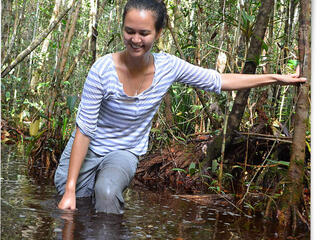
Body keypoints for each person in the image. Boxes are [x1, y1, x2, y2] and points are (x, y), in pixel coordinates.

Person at [55, 0, 306, 214]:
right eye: (129, 31)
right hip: (86, 150)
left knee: (107, 193)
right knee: (77, 209)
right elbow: (85, 129)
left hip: (124, 151)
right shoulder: (102, 70)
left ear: (158, 33)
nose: (135, 39)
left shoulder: (168, 67)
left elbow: (219, 80)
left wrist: (275, 77)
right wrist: (69, 189)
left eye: (144, 33)